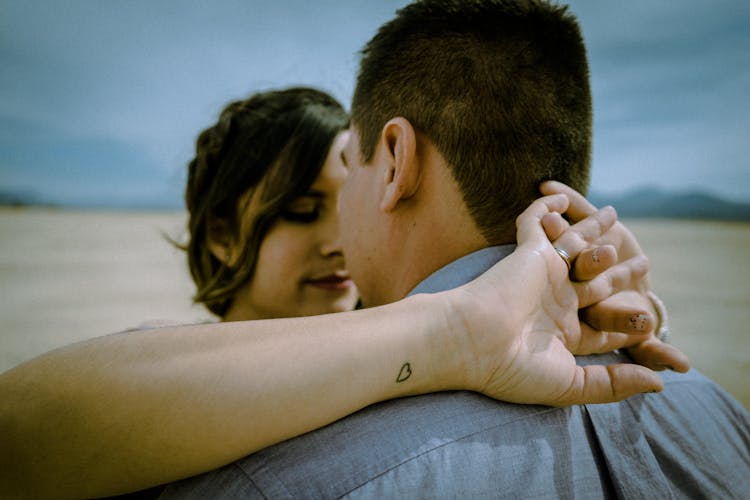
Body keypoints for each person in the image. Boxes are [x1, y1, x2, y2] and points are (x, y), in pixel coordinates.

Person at [158, 1, 750, 498]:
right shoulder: (718, 412)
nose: (337, 233)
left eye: (348, 174)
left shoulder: (270, 478)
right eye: (301, 210)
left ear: (395, 162)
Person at [0, 85, 671, 499]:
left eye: (344, 202)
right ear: (224, 234)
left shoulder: (416, 353)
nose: (336, 240)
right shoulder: (148, 379)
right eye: (298, 211)